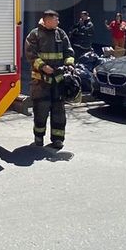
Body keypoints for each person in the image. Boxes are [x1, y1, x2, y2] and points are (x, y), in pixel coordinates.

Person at [25, 10, 75, 150]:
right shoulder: (34, 34)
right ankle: (39, 136)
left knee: (59, 111)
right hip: (40, 81)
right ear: (47, 20)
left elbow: (69, 51)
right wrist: (43, 66)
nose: (58, 22)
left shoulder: (61, 33)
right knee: (41, 110)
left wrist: (69, 64)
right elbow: (31, 55)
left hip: (58, 80)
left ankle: (58, 139)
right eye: (55, 20)